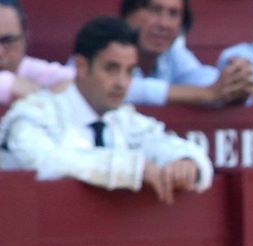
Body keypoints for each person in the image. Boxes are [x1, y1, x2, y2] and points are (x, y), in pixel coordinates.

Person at [0, 16, 213, 203]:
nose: (122, 82)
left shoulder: (123, 119)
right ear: (81, 66)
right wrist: (132, 169)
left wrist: (186, 162)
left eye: (129, 71)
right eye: (112, 69)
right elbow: (45, 161)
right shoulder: (34, 115)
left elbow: (165, 144)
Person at [120, 0, 253, 107]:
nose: (164, 24)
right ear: (129, 15)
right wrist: (207, 94)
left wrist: (234, 82)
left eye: (173, 14)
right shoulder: (111, 44)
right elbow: (122, 88)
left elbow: (205, 81)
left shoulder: (173, 54)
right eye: (154, 10)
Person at [0, 0, 76, 105]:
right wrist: (7, 83)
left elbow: (81, 81)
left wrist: (41, 94)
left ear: (25, 40)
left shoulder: (28, 67)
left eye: (8, 41)